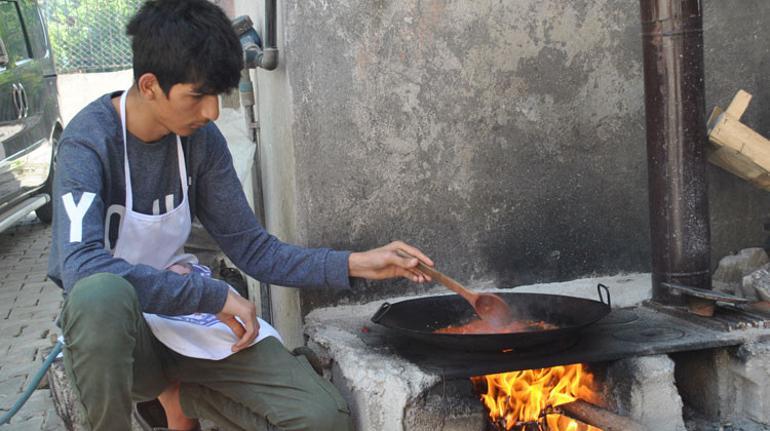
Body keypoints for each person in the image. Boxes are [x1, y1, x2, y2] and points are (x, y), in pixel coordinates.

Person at [46, 0, 433, 430]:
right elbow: (81, 269)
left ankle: (184, 396)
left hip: (187, 319)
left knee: (320, 417)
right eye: (198, 96)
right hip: (124, 341)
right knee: (99, 295)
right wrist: (209, 296)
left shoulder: (201, 142)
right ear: (151, 84)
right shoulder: (88, 143)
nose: (211, 112)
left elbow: (252, 248)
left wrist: (356, 263)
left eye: (217, 96)